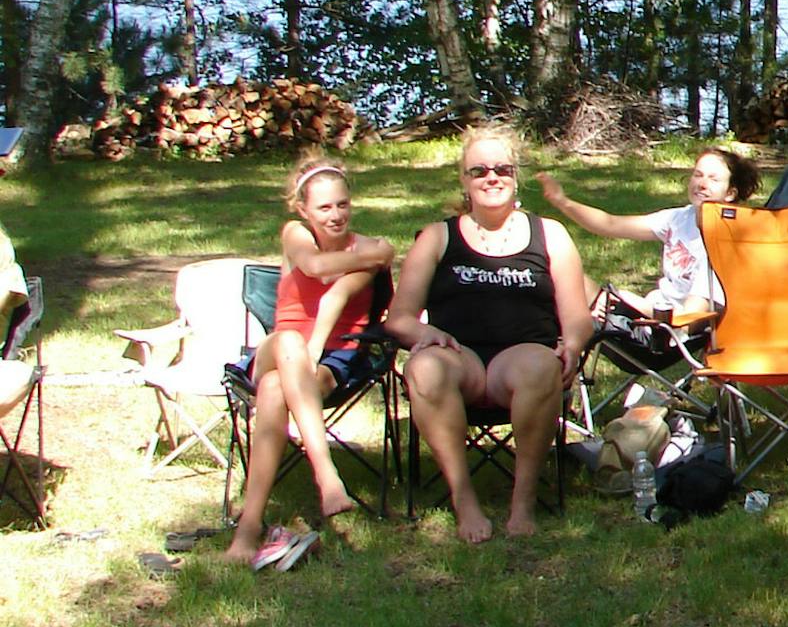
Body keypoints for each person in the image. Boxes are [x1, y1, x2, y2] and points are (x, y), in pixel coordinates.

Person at [385, 126, 595, 543]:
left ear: (515, 176)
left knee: (540, 365)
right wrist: (426, 334)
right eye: (479, 170)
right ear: (464, 180)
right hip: (457, 358)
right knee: (424, 368)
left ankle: (522, 501)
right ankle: (464, 500)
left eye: (501, 168)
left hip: (519, 360)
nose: (491, 177)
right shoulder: (437, 237)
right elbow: (399, 318)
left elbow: (577, 316)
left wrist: (571, 345)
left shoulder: (550, 234)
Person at [224, 156, 397, 567]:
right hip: (279, 348)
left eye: (342, 204)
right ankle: (326, 476)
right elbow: (317, 269)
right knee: (287, 343)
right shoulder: (296, 233)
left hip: (334, 357)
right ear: (302, 209)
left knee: (271, 391)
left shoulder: (369, 247)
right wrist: (377, 254)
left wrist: (315, 350)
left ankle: (247, 532)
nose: (335, 215)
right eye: (324, 207)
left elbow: (337, 296)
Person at [537, 147, 760, 316]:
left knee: (587, 298)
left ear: (730, 193)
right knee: (563, 277)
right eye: (697, 175)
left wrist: (630, 302)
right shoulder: (679, 218)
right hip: (648, 314)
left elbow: (691, 317)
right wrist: (563, 202)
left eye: (713, 179)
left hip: (670, 329)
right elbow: (611, 224)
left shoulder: (728, 240)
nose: (701, 184)